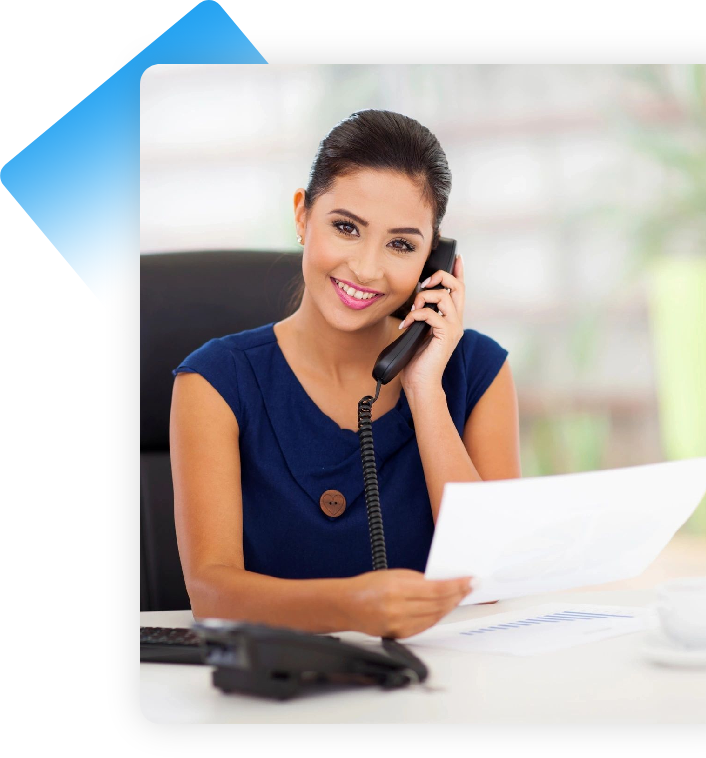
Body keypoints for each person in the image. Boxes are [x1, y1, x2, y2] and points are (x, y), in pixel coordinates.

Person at [169, 109, 521, 640]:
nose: (366, 268)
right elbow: (211, 593)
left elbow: (496, 577)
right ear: (302, 217)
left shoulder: (479, 370)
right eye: (346, 228)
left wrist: (425, 390)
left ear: (435, 261)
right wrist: (351, 606)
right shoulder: (214, 381)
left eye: (401, 244)